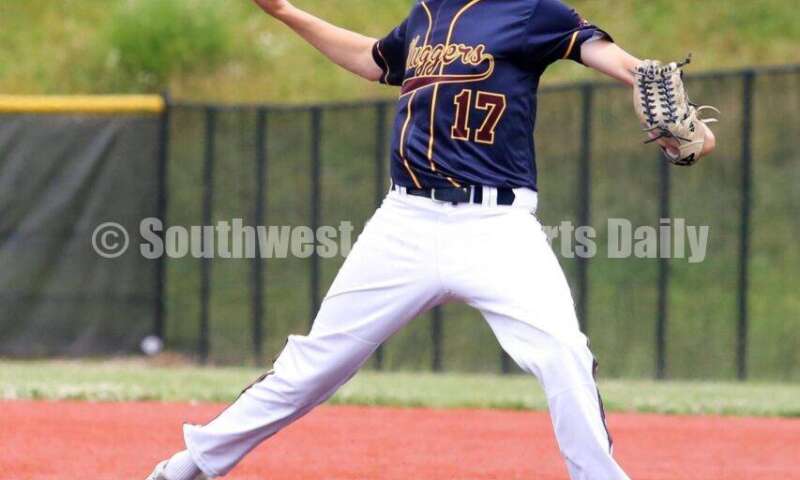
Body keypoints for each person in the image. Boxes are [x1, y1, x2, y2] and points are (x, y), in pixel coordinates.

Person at [147, 1, 716, 479]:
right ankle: (188, 467)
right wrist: (286, 12)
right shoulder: (427, 13)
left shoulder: (530, 9)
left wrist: (662, 92)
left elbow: (607, 55)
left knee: (563, 353)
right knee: (316, 364)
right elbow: (374, 61)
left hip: (496, 228)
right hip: (405, 223)